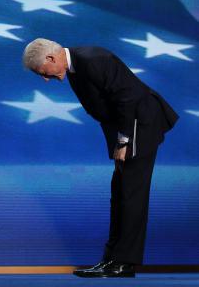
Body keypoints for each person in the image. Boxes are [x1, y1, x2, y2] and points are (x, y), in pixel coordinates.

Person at [22, 38, 178, 278]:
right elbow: (104, 108)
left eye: (43, 72)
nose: (45, 78)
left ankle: (123, 263)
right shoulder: (75, 67)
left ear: (51, 58)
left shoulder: (94, 59)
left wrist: (124, 141)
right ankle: (111, 260)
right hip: (127, 126)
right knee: (120, 193)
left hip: (139, 123)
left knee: (130, 194)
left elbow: (127, 99)